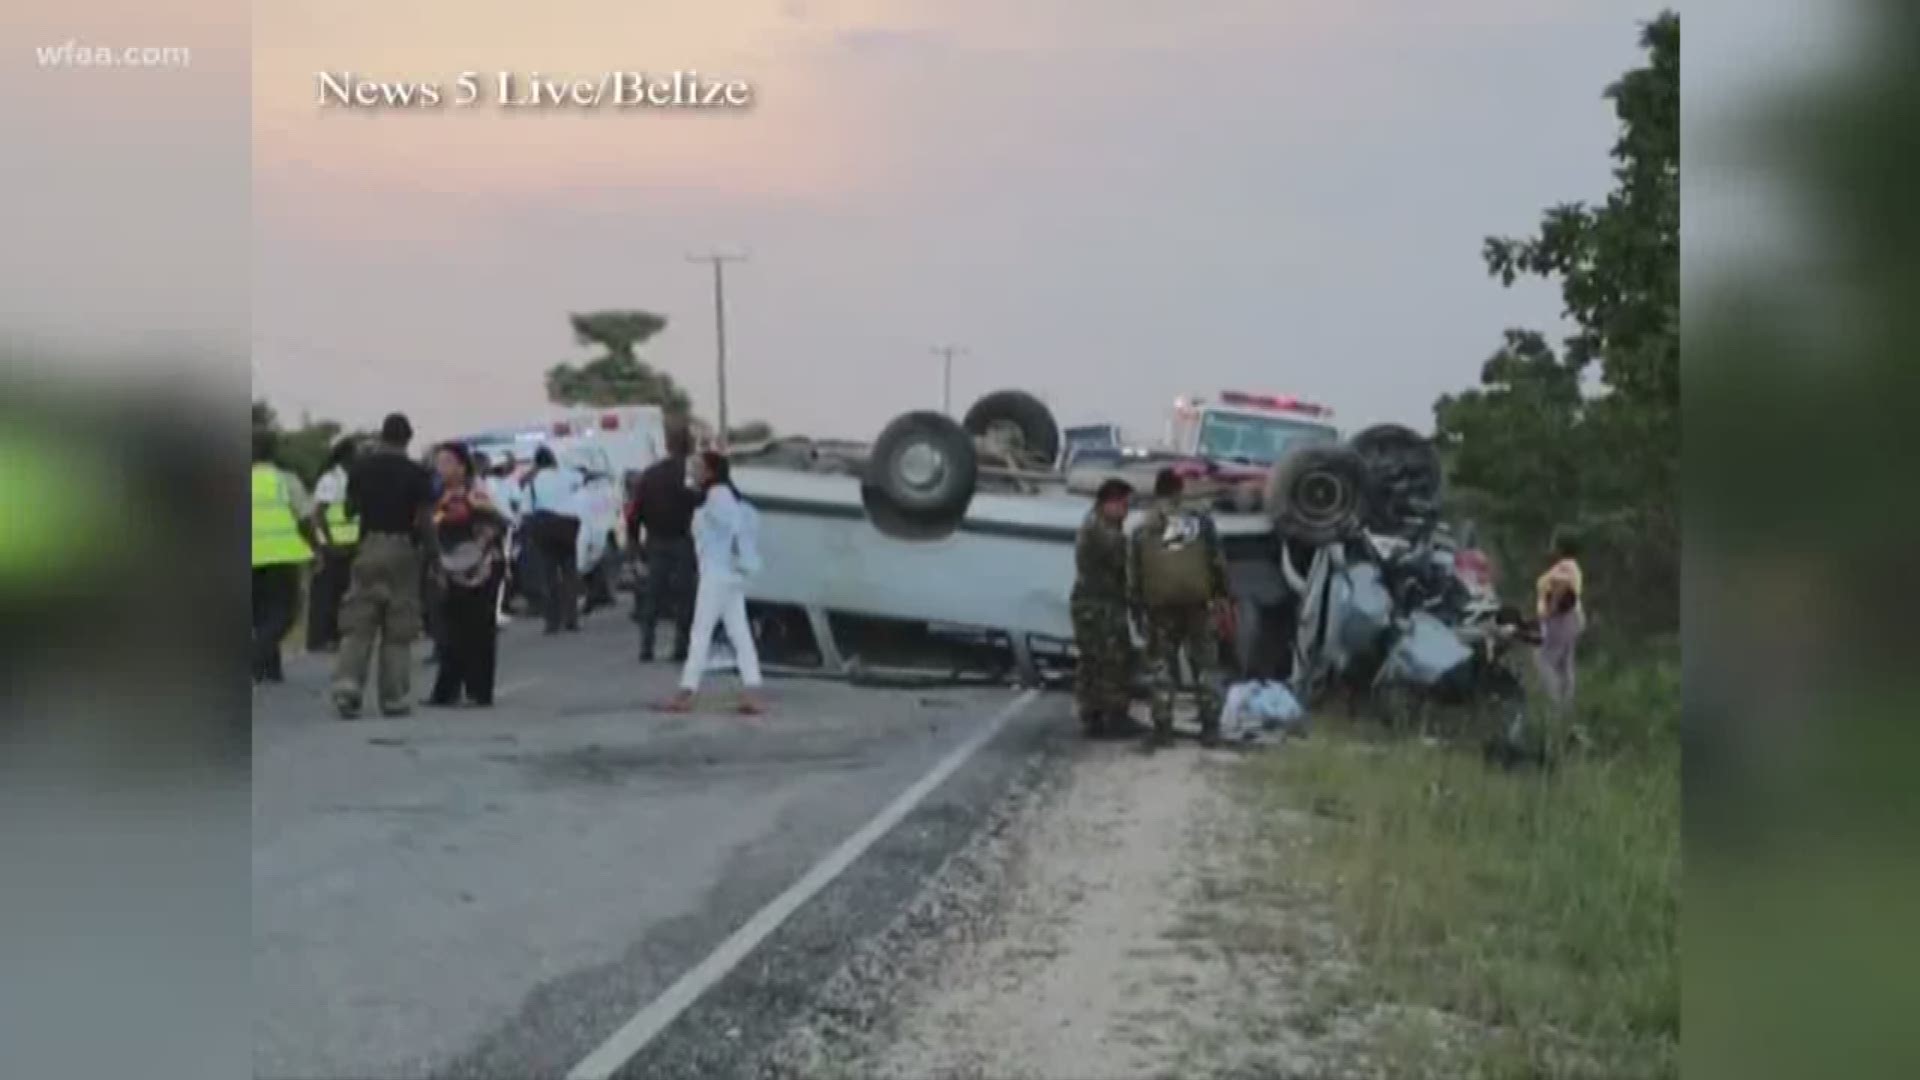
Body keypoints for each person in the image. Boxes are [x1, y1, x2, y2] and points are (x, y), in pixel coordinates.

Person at [331, 413, 436, 719]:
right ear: (408, 439)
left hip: (367, 547)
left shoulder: (361, 469)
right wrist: (434, 556)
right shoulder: (417, 473)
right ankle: (393, 696)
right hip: (403, 547)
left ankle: (347, 686)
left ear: (382, 437)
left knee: (359, 621)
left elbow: (349, 510)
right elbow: (425, 520)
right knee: (398, 626)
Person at [1129, 468, 1231, 750]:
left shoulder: (1144, 525)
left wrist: (1137, 607)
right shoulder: (1200, 520)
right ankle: (1210, 729)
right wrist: (1222, 594)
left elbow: (1134, 572)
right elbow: (1217, 561)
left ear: (1157, 490)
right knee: (1206, 666)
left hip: (1160, 608)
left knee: (1162, 667)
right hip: (1198, 605)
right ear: (1180, 489)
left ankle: (1163, 730)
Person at [660, 450, 765, 714]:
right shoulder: (726, 497)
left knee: (701, 633)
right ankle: (752, 689)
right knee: (739, 632)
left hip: (716, 574)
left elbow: (727, 527)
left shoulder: (717, 498)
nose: (693, 472)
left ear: (710, 472)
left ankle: (686, 691)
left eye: (698, 467)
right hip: (731, 574)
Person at [425, 443, 509, 708]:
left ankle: (479, 691)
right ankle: (446, 691)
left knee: (479, 630)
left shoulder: (477, 493)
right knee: (451, 631)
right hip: (450, 569)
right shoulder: (438, 497)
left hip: (481, 568)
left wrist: (477, 553)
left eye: (448, 462)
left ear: (462, 467)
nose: (442, 468)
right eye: (438, 463)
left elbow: (499, 523)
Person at [1071, 478, 1142, 739]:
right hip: (1100, 605)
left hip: (1093, 603)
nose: (1126, 510)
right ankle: (1114, 715)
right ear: (1108, 503)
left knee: (1093, 660)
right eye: (1123, 504)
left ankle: (1092, 713)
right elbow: (1123, 563)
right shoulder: (1103, 531)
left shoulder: (1096, 524)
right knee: (1113, 659)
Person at [251, 427, 320, 684]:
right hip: (280, 556)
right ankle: (254, 659)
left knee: (260, 616)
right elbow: (305, 519)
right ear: (273, 451)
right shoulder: (284, 480)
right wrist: (316, 548)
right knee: (284, 614)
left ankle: (270, 670)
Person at [629, 425, 701, 663]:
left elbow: (635, 512)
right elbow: (700, 502)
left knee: (652, 596)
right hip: (682, 539)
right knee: (685, 596)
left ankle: (646, 645)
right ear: (689, 445)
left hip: (656, 540)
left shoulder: (650, 474)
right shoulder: (690, 474)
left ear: (669, 446)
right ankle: (681, 646)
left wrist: (634, 544)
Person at [305, 436, 363, 653]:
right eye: (354, 453)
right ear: (345, 455)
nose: (358, 457)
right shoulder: (331, 480)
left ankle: (340, 636)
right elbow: (317, 515)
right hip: (333, 546)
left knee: (346, 593)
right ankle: (324, 638)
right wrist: (327, 544)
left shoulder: (352, 478)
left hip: (351, 544)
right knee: (329, 595)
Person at [522, 446, 583, 633]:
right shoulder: (567, 476)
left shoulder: (532, 483)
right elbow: (581, 481)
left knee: (549, 577)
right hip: (567, 528)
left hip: (544, 531)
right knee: (569, 575)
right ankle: (571, 619)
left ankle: (552, 622)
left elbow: (526, 511)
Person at [1534, 532, 1586, 709]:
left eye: (1554, 543)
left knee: (1544, 660)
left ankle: (1554, 703)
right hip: (1571, 618)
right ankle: (1566, 706)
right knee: (1564, 664)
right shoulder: (1571, 566)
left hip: (1561, 619)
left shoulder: (1565, 566)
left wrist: (1551, 610)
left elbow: (1563, 587)